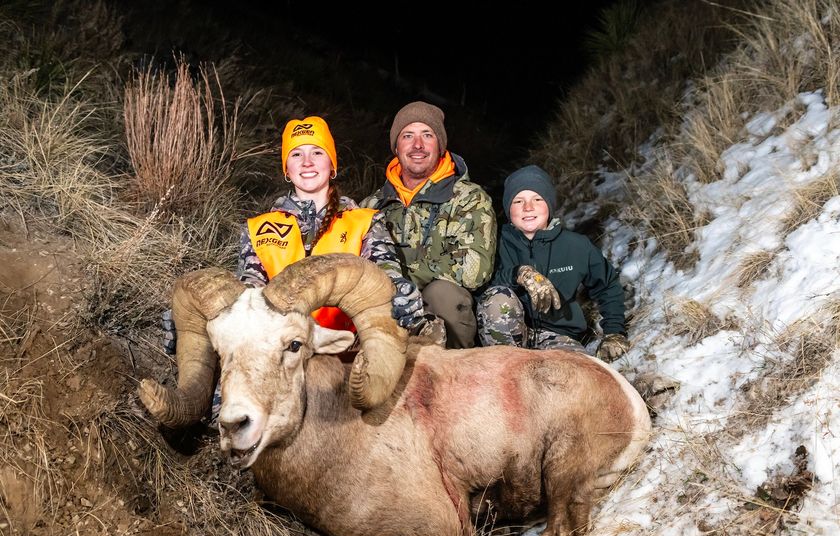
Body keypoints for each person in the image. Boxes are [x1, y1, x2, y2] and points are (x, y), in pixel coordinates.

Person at [162, 116, 432, 376]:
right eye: (296, 154)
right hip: (277, 355)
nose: (306, 162)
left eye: (317, 152)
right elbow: (249, 296)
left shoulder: (365, 222)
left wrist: (401, 291)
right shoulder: (258, 228)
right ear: (287, 170)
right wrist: (193, 321)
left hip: (344, 352)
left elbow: (386, 275)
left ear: (332, 164)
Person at [361, 101, 497, 348]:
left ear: (440, 144)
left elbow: (475, 269)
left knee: (442, 295)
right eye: (408, 136)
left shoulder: (468, 198)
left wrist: (404, 281)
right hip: (385, 307)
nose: (417, 145)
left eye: (427, 135)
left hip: (443, 314)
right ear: (396, 146)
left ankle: (454, 375)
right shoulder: (371, 205)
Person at [476, 164, 631, 361]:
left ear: (549, 204)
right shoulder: (493, 244)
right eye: (518, 201)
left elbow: (607, 285)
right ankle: (505, 373)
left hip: (559, 339)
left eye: (537, 199)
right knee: (496, 298)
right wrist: (518, 274)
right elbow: (480, 289)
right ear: (508, 209)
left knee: (579, 379)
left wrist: (614, 332)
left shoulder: (576, 246)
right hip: (508, 343)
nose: (528, 207)